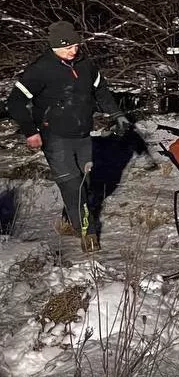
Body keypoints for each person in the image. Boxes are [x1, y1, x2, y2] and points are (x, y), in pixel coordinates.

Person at [6, 21, 131, 252]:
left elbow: (100, 90)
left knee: (85, 181)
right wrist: (30, 130)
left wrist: (117, 113)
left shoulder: (86, 66)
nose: (73, 51)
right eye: (67, 48)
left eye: (75, 45)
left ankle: (72, 219)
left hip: (82, 133)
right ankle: (87, 232)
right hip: (54, 135)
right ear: (54, 48)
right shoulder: (40, 69)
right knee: (73, 184)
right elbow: (14, 102)